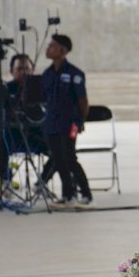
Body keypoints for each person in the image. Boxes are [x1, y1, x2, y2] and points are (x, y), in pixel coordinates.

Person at [44, 34, 93, 210]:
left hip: (70, 123)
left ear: (62, 50)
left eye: (52, 46)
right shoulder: (47, 74)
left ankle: (86, 194)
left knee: (70, 158)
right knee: (58, 159)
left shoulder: (75, 74)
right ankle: (68, 195)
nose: (48, 49)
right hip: (52, 123)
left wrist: (80, 121)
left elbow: (83, 101)